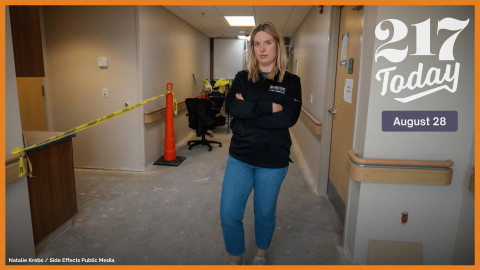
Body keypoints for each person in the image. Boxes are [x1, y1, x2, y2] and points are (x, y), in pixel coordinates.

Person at [220, 22, 302, 265]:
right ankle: (236, 261)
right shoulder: (242, 78)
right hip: (240, 158)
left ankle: (260, 256)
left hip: (273, 160)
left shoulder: (291, 81)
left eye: (268, 43)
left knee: (264, 213)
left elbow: (289, 117)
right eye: (257, 44)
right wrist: (268, 108)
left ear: (278, 46)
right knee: (228, 214)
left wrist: (247, 115)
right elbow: (231, 108)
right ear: (252, 47)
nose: (262, 49)